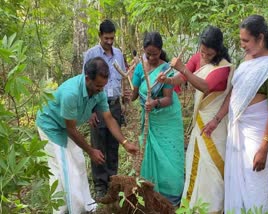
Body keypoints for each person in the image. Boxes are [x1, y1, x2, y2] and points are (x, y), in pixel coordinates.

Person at [202, 15, 268, 213]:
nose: (242, 45)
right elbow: (234, 92)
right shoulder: (247, 60)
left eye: (246, 41)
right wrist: (216, 119)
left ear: (260, 38)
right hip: (236, 132)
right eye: (241, 40)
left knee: (255, 185)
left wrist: (264, 146)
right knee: (235, 182)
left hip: (256, 134)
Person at [36, 57, 138, 214]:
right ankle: (71, 209)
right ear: (87, 79)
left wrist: (125, 142)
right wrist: (91, 150)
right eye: (98, 85)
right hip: (51, 126)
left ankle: (87, 204)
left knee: (78, 162)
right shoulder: (71, 93)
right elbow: (71, 129)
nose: (101, 89)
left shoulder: (98, 92)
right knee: (66, 169)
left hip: (66, 125)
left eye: (103, 85)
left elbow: (109, 118)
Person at [158, 26, 232, 213]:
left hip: (215, 123)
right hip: (200, 119)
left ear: (218, 49)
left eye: (209, 52)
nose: (205, 55)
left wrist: (183, 68)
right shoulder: (197, 58)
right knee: (197, 162)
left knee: (213, 166)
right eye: (202, 50)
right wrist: (167, 80)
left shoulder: (223, 67)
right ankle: (195, 204)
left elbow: (205, 86)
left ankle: (215, 207)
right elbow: (180, 78)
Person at [131, 32, 184, 206]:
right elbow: (134, 93)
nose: (152, 58)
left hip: (166, 119)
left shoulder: (166, 69)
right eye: (149, 54)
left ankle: (171, 198)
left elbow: (168, 99)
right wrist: (128, 94)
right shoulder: (140, 68)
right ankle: (150, 194)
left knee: (170, 158)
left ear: (161, 51)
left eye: (155, 54)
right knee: (148, 154)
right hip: (149, 120)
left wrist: (154, 103)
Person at [83, 19, 127, 198]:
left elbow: (122, 78)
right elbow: (84, 83)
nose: (109, 41)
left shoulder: (118, 54)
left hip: (115, 104)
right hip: (97, 105)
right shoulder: (91, 54)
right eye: (106, 38)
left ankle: (113, 181)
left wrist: (123, 101)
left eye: (112, 38)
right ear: (100, 36)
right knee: (98, 145)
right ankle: (100, 185)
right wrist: (90, 111)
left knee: (113, 145)